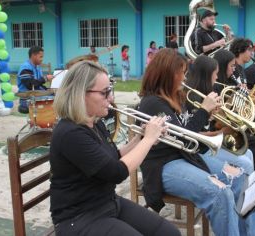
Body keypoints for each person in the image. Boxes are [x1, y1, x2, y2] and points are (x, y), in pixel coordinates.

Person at [138, 48, 255, 236]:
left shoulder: (175, 96)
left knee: (241, 178)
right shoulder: (152, 104)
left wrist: (212, 115)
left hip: (186, 156)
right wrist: (204, 111)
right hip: (163, 165)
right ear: (168, 75)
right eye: (182, 73)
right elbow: (184, 137)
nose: (185, 77)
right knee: (220, 194)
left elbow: (189, 131)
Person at [50, 60, 180, 236]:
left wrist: (140, 138)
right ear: (80, 94)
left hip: (107, 203)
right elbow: (116, 172)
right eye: (105, 93)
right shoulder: (70, 133)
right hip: (78, 218)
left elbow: (112, 156)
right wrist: (147, 140)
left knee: (170, 233)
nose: (111, 98)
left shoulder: (94, 122)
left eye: (109, 90)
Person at [185, 55, 254, 175]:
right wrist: (220, 133)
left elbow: (210, 122)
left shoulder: (207, 92)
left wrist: (218, 112)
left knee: (249, 153)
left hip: (208, 145)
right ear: (206, 75)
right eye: (215, 74)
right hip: (201, 149)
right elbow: (193, 133)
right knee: (246, 164)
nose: (217, 77)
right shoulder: (192, 97)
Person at [213, 48, 255, 169]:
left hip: (234, 126)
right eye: (232, 66)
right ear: (223, 66)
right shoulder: (217, 86)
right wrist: (236, 95)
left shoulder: (230, 83)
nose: (234, 69)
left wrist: (246, 94)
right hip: (223, 129)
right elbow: (220, 117)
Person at [17, 46, 53, 114]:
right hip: (27, 99)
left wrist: (47, 89)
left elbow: (38, 84)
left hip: (36, 96)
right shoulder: (26, 67)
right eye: (40, 57)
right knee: (53, 101)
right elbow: (30, 85)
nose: (42, 59)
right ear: (33, 55)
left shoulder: (37, 67)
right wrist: (45, 79)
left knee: (56, 95)